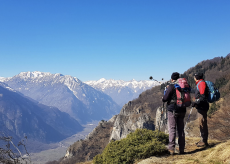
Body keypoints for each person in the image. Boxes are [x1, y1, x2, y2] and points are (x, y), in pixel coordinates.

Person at [162, 72, 187, 155]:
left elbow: (165, 99)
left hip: (172, 110)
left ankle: (171, 149)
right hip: (182, 109)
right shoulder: (183, 86)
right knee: (181, 130)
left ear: (172, 79)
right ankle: (182, 149)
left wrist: (165, 92)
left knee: (172, 129)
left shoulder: (171, 86)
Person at [192, 73, 209, 147]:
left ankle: (204, 141)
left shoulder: (201, 84)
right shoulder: (199, 83)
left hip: (202, 107)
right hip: (201, 106)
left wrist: (196, 102)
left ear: (196, 77)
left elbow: (202, 97)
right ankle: (202, 139)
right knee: (201, 123)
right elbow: (198, 92)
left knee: (202, 123)